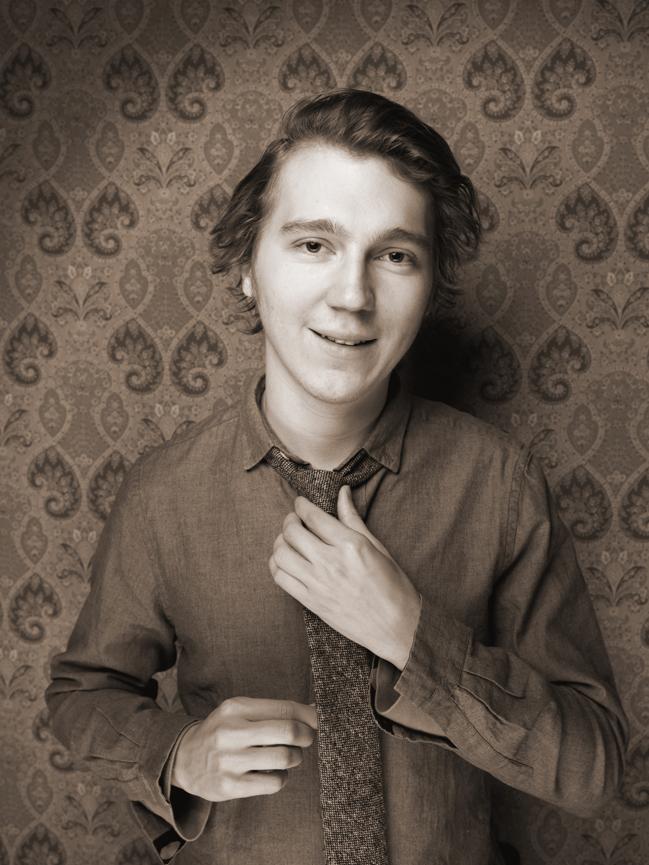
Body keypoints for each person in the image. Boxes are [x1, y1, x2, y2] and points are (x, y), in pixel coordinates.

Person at [45, 90, 628, 865]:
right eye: (314, 244)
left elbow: (594, 768)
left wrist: (412, 634)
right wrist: (176, 753)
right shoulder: (163, 493)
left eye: (394, 255)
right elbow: (82, 697)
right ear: (247, 267)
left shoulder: (499, 483)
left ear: (428, 287)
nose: (352, 296)